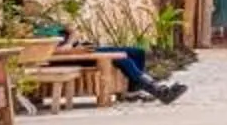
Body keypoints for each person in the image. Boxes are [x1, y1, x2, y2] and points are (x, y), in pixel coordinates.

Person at [36, 24, 184, 104]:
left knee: (138, 52)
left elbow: (72, 29)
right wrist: (68, 50)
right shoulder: (32, 32)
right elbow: (44, 53)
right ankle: (158, 91)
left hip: (81, 49)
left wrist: (69, 43)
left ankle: (132, 92)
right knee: (123, 59)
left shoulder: (47, 24)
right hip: (73, 56)